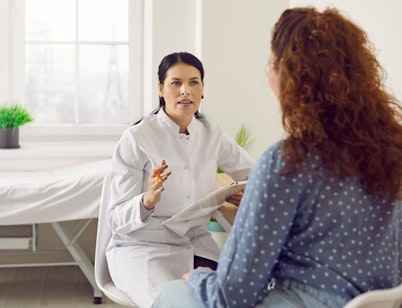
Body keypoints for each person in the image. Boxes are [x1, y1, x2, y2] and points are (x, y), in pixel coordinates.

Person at [151, 7, 402, 308]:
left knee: (172, 293)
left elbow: (233, 294)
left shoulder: (288, 161)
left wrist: (198, 279)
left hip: (299, 302)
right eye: (176, 83)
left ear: (292, 78)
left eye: (271, 64)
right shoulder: (391, 151)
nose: (268, 74)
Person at [100, 51, 256, 307]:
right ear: (161, 89)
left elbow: (256, 173)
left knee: (231, 299)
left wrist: (250, 192)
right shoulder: (137, 137)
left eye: (194, 82)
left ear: (203, 89)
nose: (186, 91)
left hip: (194, 244)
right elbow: (115, 218)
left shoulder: (211, 133)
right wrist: (147, 200)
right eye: (176, 83)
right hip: (142, 248)